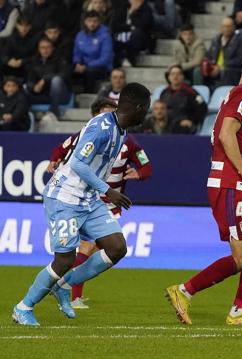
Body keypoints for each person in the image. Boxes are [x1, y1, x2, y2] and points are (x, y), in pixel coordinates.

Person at [12, 82, 151, 326]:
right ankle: (23, 307)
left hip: (88, 199)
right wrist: (109, 191)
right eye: (145, 109)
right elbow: (77, 163)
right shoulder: (102, 127)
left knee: (117, 247)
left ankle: (65, 286)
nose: (146, 114)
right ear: (138, 108)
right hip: (64, 197)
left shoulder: (122, 132)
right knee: (64, 260)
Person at [165, 51, 242, 326]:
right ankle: (184, 291)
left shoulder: (237, 95)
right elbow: (226, 134)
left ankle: (238, 312)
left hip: (238, 182)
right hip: (230, 183)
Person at [46, 97, 152, 309]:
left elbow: (146, 166)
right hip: (90, 197)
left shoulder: (127, 139)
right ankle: (69, 293)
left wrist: (137, 174)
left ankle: (67, 289)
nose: (109, 116)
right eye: (104, 112)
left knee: (102, 249)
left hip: (112, 200)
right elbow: (61, 149)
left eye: (112, 111)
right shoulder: (88, 134)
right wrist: (53, 160)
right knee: (89, 247)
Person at [26, 37, 71, 120]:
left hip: (61, 95)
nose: (45, 50)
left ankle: (53, 112)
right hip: (43, 95)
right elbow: (29, 80)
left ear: (52, 48)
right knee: (24, 89)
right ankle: (28, 117)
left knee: (56, 81)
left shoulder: (60, 59)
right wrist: (33, 87)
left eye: (48, 47)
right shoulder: (34, 61)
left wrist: (44, 79)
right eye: (42, 48)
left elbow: (65, 75)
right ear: (39, 49)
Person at [73, 11, 114, 93]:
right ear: (85, 22)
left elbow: (105, 59)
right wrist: (77, 63)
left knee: (89, 71)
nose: (92, 23)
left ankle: (87, 96)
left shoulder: (105, 36)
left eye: (95, 21)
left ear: (99, 22)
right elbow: (77, 53)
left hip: (102, 68)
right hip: (84, 66)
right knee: (68, 69)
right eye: (89, 21)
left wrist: (87, 65)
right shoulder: (80, 35)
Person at [160, 65, 207, 134]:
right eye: (172, 74)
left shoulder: (191, 92)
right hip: (166, 124)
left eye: (178, 74)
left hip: (183, 124)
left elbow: (203, 107)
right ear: (169, 77)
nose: (175, 76)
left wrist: (191, 121)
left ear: (183, 77)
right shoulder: (164, 92)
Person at [205, 16, 242, 87]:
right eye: (224, 26)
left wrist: (221, 67)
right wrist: (210, 65)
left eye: (229, 26)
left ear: (233, 27)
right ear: (220, 28)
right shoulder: (216, 40)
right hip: (215, 68)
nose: (226, 29)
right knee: (200, 70)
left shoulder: (239, 40)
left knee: (227, 71)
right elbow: (208, 55)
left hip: (230, 69)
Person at [109, 0, 154, 67]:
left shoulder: (146, 9)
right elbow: (115, 26)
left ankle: (129, 59)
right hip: (121, 36)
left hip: (139, 38)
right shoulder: (122, 8)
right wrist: (131, 27)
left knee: (136, 33)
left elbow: (143, 25)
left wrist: (132, 14)